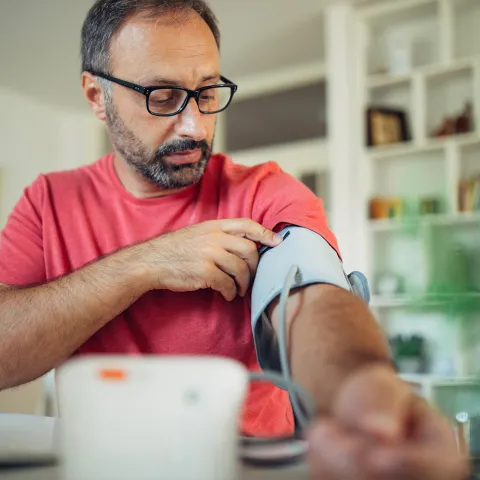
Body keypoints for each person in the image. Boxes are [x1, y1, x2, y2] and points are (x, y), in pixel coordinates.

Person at [0, 0, 468, 478]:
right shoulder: (48, 202)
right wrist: (145, 265)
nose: (195, 126)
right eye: (162, 97)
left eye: (207, 92)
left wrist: (361, 387)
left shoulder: (267, 192)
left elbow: (313, 300)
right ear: (96, 95)